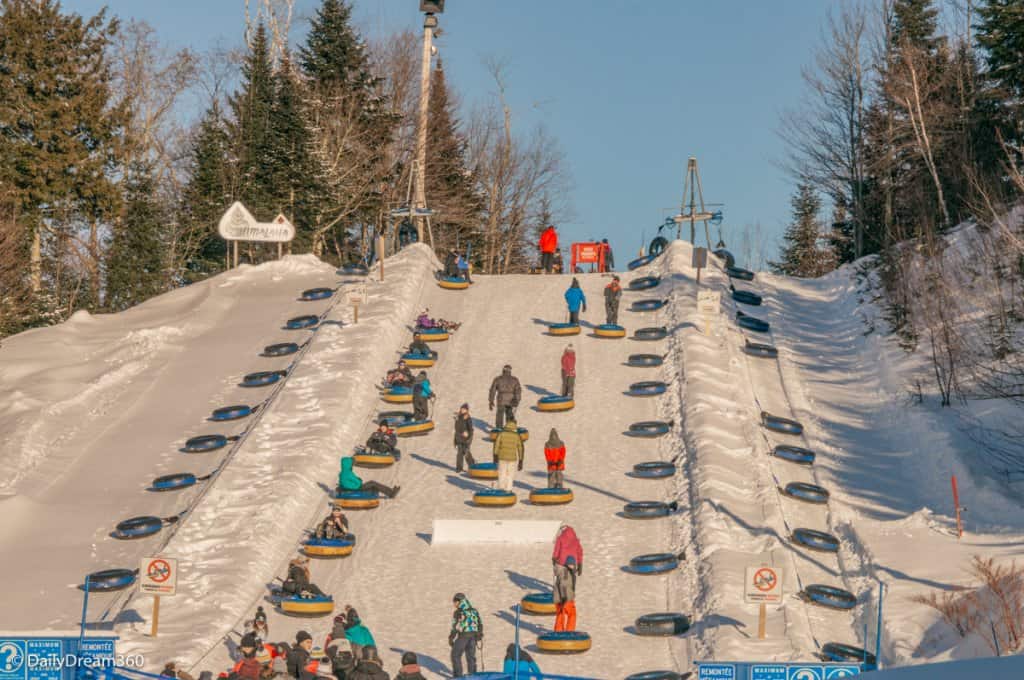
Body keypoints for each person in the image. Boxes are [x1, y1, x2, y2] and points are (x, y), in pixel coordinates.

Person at [552, 524, 583, 632]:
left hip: (561, 565)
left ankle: (558, 630)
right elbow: (580, 552)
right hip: (566, 595)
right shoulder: (575, 540)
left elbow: (556, 551)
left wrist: (554, 559)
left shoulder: (560, 538)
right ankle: (569, 632)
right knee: (571, 613)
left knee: (560, 612)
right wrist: (579, 563)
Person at [449, 593, 482, 677]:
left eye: (455, 601)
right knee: (471, 657)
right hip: (473, 637)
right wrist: (479, 634)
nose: (454, 604)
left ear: (460, 601)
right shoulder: (474, 610)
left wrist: (451, 638)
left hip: (463, 636)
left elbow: (455, 626)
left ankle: (458, 676)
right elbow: (479, 623)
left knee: (455, 655)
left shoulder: (459, 612)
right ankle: (473, 675)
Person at [492, 420, 524, 492]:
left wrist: (495, 455)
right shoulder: (516, 435)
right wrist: (521, 460)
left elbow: (496, 445)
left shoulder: (501, 434)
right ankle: (509, 489)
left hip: (502, 457)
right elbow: (520, 448)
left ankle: (501, 488)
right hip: (512, 458)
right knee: (510, 474)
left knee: (502, 473)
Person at [488, 364, 522, 428]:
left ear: (503, 370)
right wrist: (517, 400)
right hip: (511, 400)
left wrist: (491, 401)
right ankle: (509, 429)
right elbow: (518, 391)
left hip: (501, 400)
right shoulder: (514, 380)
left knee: (500, 414)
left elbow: (492, 390)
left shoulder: (498, 379)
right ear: (510, 371)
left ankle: (499, 429)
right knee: (509, 414)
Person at [453, 403, 476, 473]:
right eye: (461, 409)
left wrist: (468, 436)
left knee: (466, 452)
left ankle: (472, 465)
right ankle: (459, 468)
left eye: (464, 409)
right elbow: (456, 429)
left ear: (467, 410)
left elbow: (471, 429)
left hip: (466, 439)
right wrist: (455, 439)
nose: (462, 410)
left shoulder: (468, 418)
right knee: (459, 454)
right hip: (459, 438)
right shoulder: (458, 417)